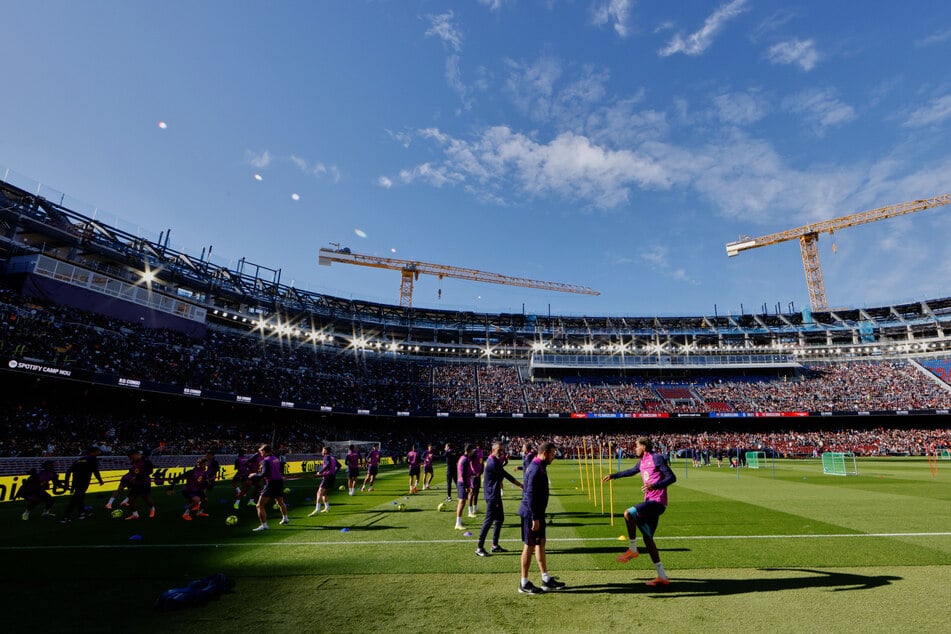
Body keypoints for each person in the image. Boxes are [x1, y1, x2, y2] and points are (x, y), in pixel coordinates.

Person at [601, 436, 677, 587]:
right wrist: (613, 476)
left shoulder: (656, 458)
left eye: (636, 446)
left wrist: (654, 486)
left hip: (657, 503)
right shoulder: (642, 462)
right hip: (650, 503)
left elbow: (672, 477)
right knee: (648, 539)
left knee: (628, 513)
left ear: (644, 447)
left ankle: (633, 549)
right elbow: (630, 471)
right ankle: (662, 577)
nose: (634, 448)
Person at [517, 441, 565, 593]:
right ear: (544, 453)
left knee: (540, 543)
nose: (553, 457)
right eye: (552, 454)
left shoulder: (540, 466)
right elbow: (529, 494)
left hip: (537, 513)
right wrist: (534, 518)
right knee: (529, 546)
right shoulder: (535, 468)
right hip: (531, 514)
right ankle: (523, 583)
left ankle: (545, 578)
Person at [476, 440, 523, 557]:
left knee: (500, 519)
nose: (501, 452)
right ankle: (479, 547)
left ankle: (494, 545)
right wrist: (520, 485)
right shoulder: (493, 462)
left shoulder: (495, 460)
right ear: (493, 450)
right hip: (492, 496)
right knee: (488, 521)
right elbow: (505, 474)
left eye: (502, 450)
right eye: (499, 450)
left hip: (494, 494)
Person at [60, 446, 104, 523]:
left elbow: (68, 471)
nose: (98, 453)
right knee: (75, 499)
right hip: (83, 482)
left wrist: (67, 482)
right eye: (97, 451)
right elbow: (96, 471)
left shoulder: (80, 459)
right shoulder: (93, 459)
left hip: (76, 482)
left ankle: (82, 513)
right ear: (93, 452)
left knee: (80, 497)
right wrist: (100, 480)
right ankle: (66, 517)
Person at [253, 444, 289, 532]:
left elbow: (264, 474)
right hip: (279, 482)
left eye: (261, 451)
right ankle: (285, 518)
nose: (260, 453)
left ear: (264, 451)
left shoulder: (265, 460)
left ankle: (264, 525)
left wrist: (255, 475)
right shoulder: (275, 458)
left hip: (271, 483)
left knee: (259, 505)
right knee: (280, 502)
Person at [123, 449, 156, 520]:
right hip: (136, 484)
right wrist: (131, 478)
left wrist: (138, 476)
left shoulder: (146, 461)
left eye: (132, 457)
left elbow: (150, 471)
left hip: (145, 483)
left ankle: (152, 508)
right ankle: (135, 514)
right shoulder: (134, 462)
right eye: (130, 457)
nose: (131, 458)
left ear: (137, 454)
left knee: (146, 498)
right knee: (131, 499)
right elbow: (132, 471)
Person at [309, 445, 339, 515]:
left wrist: (320, 472)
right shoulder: (333, 457)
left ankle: (317, 509)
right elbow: (339, 466)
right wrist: (333, 473)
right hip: (332, 477)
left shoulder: (326, 457)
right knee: (324, 493)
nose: (321, 451)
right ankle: (327, 507)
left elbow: (328, 464)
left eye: (322, 450)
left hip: (327, 477)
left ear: (325, 451)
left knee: (319, 493)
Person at [454, 444, 475, 530]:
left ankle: (459, 521)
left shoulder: (463, 458)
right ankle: (458, 524)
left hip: (461, 482)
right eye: (472, 450)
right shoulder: (465, 459)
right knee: (462, 502)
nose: (473, 452)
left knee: (461, 502)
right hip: (462, 482)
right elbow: (463, 474)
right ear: (469, 450)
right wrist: (467, 486)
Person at [468, 443, 484, 517]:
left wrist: (482, 470)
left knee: (477, 492)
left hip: (478, 475)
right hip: (473, 476)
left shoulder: (481, 452)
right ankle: (470, 511)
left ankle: (475, 509)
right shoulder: (474, 452)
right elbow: (470, 461)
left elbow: (482, 461)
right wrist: (473, 471)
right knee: (471, 492)